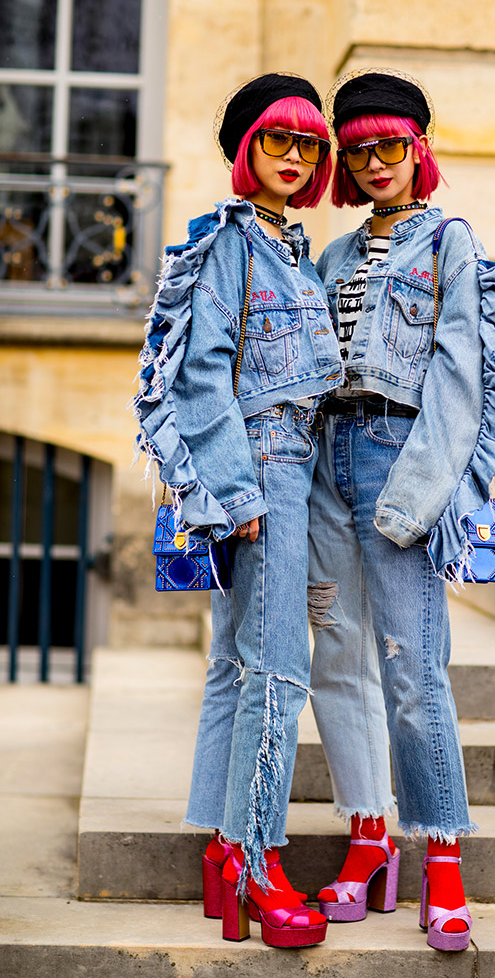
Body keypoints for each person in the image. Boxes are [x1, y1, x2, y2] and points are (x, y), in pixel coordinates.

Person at [307, 69, 495, 952]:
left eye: (387, 146)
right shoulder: (329, 256)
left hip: (403, 457)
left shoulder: (451, 246)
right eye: (355, 152)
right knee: (335, 658)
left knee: (411, 668)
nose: (372, 163)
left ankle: (440, 862)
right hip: (327, 461)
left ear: (417, 149)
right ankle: (367, 843)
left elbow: (463, 382)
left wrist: (421, 494)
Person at [133, 73, 343, 949]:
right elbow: (201, 376)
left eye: (307, 145)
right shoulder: (233, 244)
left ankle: (222, 859)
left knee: (234, 666)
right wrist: (236, 490)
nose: (292, 158)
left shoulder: (286, 245)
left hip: (284, 469)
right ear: (244, 149)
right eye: (276, 140)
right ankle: (258, 862)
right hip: (262, 472)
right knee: (276, 669)